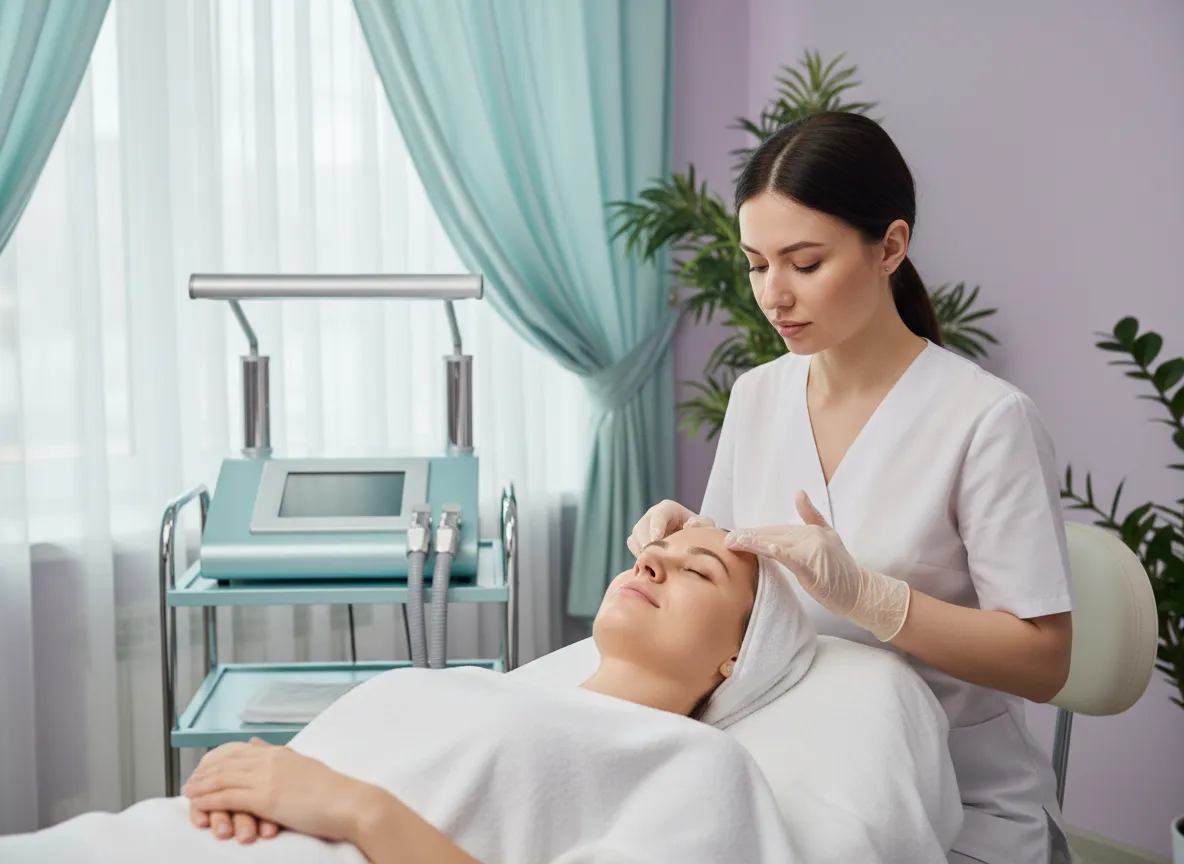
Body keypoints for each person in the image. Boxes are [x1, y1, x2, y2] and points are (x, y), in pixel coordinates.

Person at [630, 112, 1074, 864]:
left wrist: (876, 601)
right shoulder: (758, 396)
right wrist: (691, 546)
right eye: (756, 264)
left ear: (890, 248)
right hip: (783, 764)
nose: (774, 295)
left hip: (955, 800)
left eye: (804, 264)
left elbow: (1044, 662)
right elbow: (743, 597)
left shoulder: (986, 420)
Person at [0, 527, 814, 864]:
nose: (652, 561)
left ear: (738, 657)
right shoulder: (480, 688)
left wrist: (352, 808)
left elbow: (338, 795)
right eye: (653, 550)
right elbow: (304, 777)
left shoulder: (699, 764)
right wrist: (239, 778)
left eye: (700, 569)